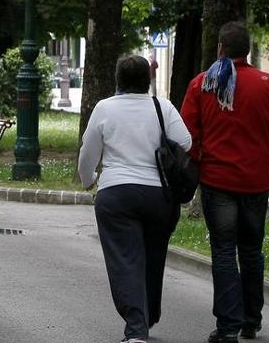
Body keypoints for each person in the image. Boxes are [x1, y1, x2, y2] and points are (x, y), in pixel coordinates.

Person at [181, 21, 269, 343]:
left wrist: (203, 154)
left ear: (220, 47)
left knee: (223, 250)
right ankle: (251, 320)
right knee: (251, 251)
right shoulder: (268, 83)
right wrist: (259, 140)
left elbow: (188, 133)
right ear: (247, 49)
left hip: (218, 181)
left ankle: (227, 326)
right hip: (256, 182)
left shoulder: (202, 84)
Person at [78, 54, 192, 343]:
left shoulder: (104, 108)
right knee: (154, 257)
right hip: (159, 195)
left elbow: (88, 153)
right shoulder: (161, 107)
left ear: (118, 80)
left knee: (125, 259)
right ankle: (149, 314)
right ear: (148, 79)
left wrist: (88, 179)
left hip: (116, 194)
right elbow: (186, 141)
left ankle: (136, 328)